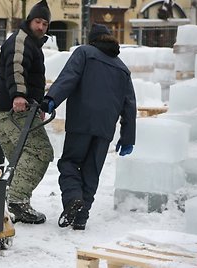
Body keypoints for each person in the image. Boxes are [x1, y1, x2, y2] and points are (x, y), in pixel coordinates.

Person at [40, 23, 137, 230]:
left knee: (69, 163)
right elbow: (129, 105)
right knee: (91, 171)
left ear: (92, 39)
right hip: (104, 130)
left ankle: (74, 199)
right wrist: (127, 138)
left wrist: (51, 99)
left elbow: (69, 77)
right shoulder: (122, 68)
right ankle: (81, 217)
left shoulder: (84, 53)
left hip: (81, 123)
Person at [0, 0, 54, 224]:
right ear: (30, 21)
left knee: (18, 157)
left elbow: (31, 75)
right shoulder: (21, 40)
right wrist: (18, 95)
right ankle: (16, 202)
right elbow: (16, 67)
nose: (41, 27)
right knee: (40, 152)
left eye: (45, 24)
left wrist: (36, 104)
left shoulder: (31, 44)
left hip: (9, 108)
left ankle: (9, 202)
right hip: (14, 107)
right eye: (38, 21)